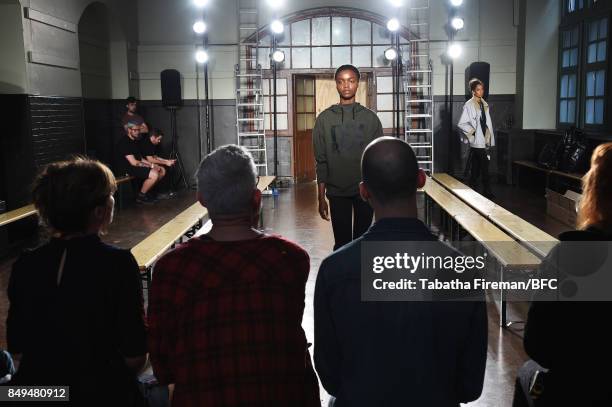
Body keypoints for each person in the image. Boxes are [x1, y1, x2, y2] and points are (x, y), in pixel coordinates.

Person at [314, 137, 488, 406]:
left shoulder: (334, 271)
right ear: (421, 180)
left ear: (363, 191)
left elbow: (331, 376)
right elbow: (469, 386)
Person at [148, 145, 320, 407]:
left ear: (201, 199)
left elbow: (162, 364)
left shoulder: (172, 268)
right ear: (256, 198)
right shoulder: (290, 258)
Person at [6, 158, 147, 406]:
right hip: (99, 393)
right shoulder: (118, 264)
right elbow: (135, 357)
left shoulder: (25, 265)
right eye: (110, 195)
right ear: (99, 211)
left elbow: (17, 351)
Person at [513, 143, 612, 407]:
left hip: (576, 389)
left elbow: (536, 344)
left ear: (594, 191)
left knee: (527, 374)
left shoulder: (568, 256)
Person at [313, 64, 384, 250]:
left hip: (365, 192)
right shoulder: (324, 120)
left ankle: (360, 278)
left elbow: (378, 160)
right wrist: (321, 198)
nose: (346, 86)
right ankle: (342, 278)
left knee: (363, 243)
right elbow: (321, 161)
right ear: (336, 84)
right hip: (337, 192)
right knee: (342, 244)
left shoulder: (370, 119)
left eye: (351, 81)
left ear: (357, 84)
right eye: (341, 81)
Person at [458, 78, 496, 198]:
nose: (481, 91)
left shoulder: (484, 104)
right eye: (478, 89)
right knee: (484, 165)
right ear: (473, 91)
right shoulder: (469, 105)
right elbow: (462, 123)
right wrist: (473, 134)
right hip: (477, 141)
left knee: (476, 166)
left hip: (483, 138)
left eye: (482, 89)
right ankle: (487, 190)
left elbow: (486, 122)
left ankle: (472, 187)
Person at [117, 121, 164, 204]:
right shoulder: (124, 142)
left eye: (138, 130)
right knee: (154, 174)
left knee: (159, 170)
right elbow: (133, 162)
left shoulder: (134, 141)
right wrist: (151, 167)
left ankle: (147, 193)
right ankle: (141, 197)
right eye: (135, 130)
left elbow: (140, 159)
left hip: (134, 166)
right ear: (129, 130)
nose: (138, 132)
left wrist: (153, 165)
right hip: (126, 168)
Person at [140, 128, 176, 200]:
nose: (159, 141)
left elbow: (155, 157)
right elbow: (150, 159)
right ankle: (148, 193)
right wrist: (166, 163)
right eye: (158, 139)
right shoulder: (146, 143)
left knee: (163, 169)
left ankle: (154, 192)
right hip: (142, 164)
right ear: (153, 137)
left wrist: (167, 161)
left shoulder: (152, 144)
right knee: (161, 170)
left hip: (148, 164)